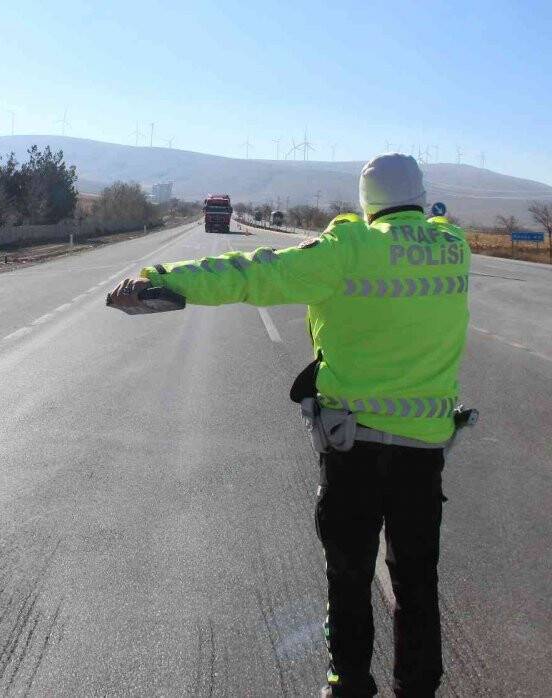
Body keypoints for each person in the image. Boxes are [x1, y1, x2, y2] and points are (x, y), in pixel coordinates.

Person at [108, 153, 471, 697]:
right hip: (425, 452)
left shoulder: (350, 249)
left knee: (349, 577)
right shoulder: (454, 248)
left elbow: (254, 272)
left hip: (356, 448)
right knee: (417, 580)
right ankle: (418, 689)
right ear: (420, 195)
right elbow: (432, 235)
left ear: (365, 200)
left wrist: (160, 280)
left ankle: (347, 685)